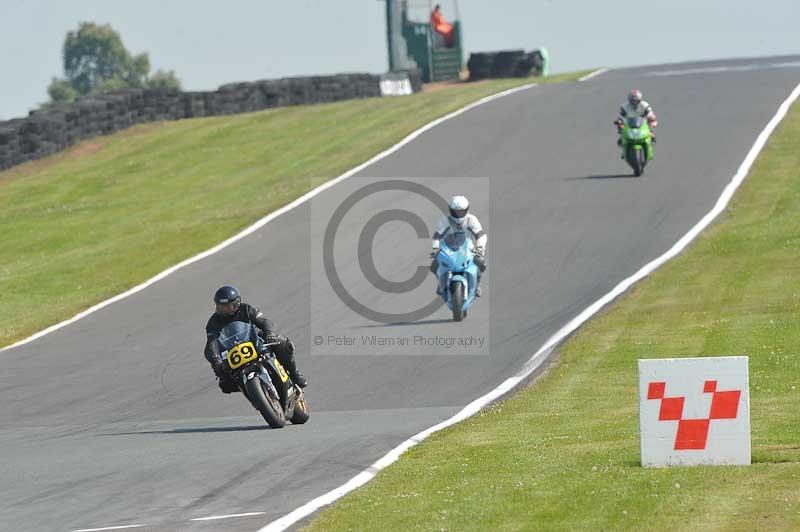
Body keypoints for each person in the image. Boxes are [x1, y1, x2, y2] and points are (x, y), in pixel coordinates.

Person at [204, 285, 307, 393]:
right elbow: (212, 343)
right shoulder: (213, 323)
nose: (222, 310)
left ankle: (295, 374)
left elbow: (264, 322)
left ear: (236, 304)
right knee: (224, 384)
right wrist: (217, 361)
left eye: (226, 306)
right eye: (220, 306)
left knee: (283, 343)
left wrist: (269, 334)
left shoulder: (246, 309)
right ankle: (252, 393)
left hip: (253, 340)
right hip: (232, 352)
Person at [430, 195, 487, 297]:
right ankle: (440, 283)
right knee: (434, 265)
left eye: (461, 212)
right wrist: (435, 249)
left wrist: (480, 250)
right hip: (448, 248)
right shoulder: (445, 220)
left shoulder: (471, 219)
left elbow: (480, 235)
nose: (458, 215)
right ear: (450, 210)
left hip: (467, 248)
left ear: (467, 210)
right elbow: (436, 236)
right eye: (456, 212)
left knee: (480, 264)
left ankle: (477, 285)